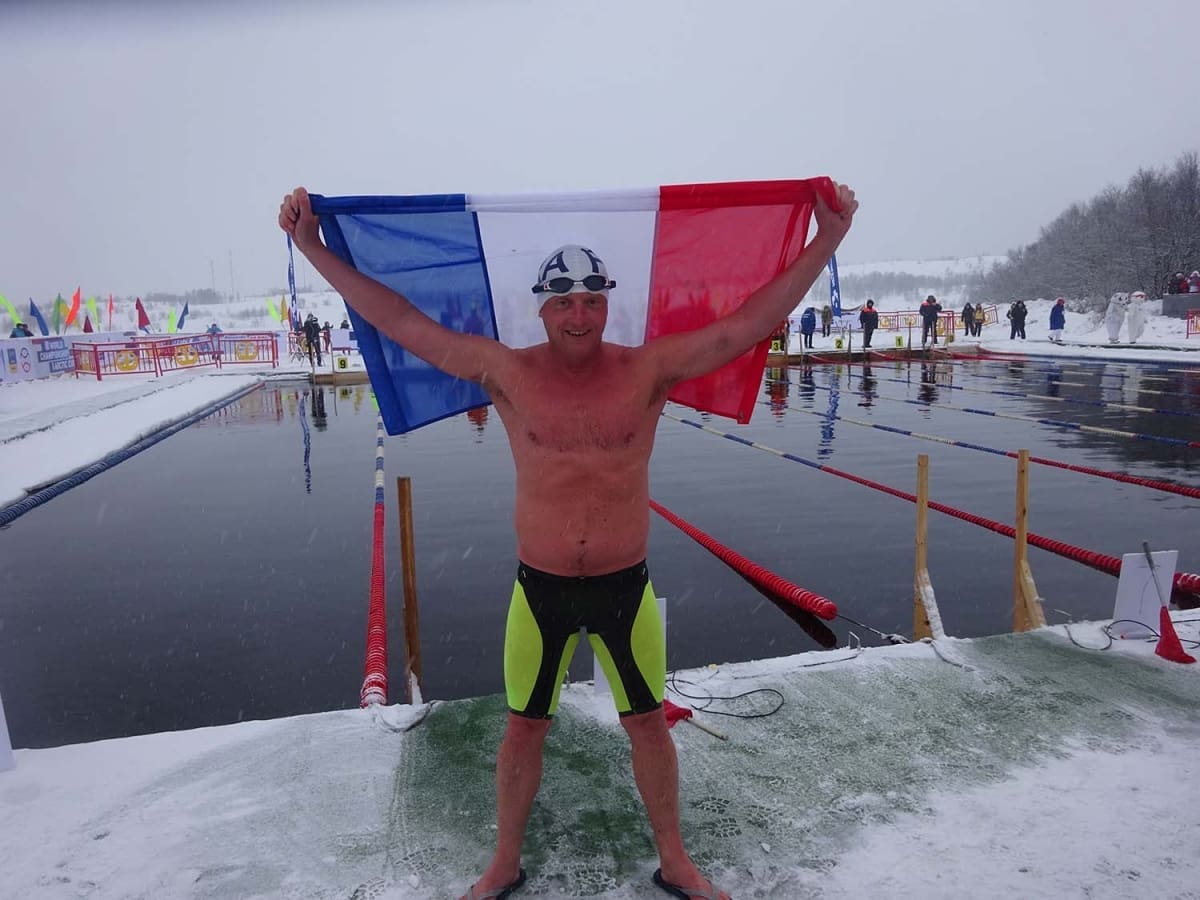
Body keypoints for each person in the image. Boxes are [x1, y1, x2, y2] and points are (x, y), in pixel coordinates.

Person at [280, 181, 857, 900]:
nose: (578, 315)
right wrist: (311, 248)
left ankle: (674, 860)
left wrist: (826, 240)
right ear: (543, 307)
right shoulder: (507, 372)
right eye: (564, 302)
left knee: (648, 725)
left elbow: (745, 324)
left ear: (605, 304)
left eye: (590, 300)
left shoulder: (647, 369)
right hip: (540, 590)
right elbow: (397, 318)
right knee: (523, 730)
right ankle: (504, 863)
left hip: (626, 587)